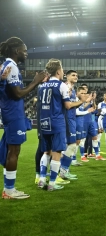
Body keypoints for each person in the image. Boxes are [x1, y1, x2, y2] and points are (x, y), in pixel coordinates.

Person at [0, 37, 47, 199]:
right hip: (13, 114)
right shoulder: (11, 66)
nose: (27, 53)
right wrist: (35, 82)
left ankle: (8, 189)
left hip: (11, 113)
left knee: (9, 151)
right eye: (24, 50)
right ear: (16, 51)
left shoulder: (8, 66)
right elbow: (18, 93)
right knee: (14, 151)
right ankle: (9, 190)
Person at [38, 59, 87, 191]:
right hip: (57, 121)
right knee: (56, 152)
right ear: (59, 71)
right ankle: (52, 184)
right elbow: (68, 105)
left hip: (44, 122)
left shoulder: (42, 86)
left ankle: (42, 180)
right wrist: (81, 101)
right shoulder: (61, 85)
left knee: (46, 152)